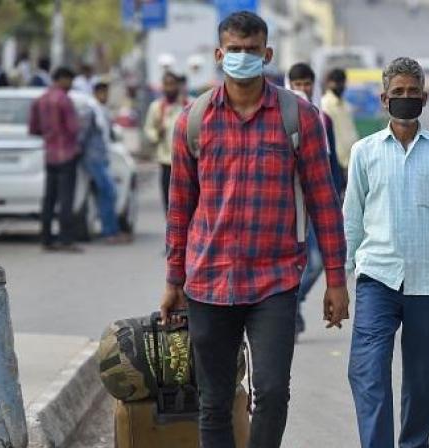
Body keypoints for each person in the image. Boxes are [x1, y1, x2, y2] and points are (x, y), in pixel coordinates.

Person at [159, 11, 349, 447]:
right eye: (234, 50)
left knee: (273, 393)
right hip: (208, 280)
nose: (242, 58)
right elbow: (179, 208)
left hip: (275, 281)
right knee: (214, 400)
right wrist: (174, 280)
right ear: (219, 54)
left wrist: (336, 280)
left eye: (251, 51)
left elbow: (324, 201)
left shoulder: (298, 117)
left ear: (267, 54)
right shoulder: (193, 120)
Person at [344, 57, 429, 448]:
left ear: (424, 99)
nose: (406, 99)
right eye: (398, 93)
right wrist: (340, 279)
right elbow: (352, 219)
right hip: (377, 278)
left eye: (413, 93)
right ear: (384, 99)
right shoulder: (365, 152)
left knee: (423, 379)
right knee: (368, 373)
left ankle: (413, 444)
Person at [286, 62, 346, 338]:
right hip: (290, 206)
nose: (302, 89)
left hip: (317, 204)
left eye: (306, 83)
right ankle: (286, 309)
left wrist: (337, 194)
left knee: (318, 261)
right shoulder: (281, 119)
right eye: (296, 84)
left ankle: (293, 302)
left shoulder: (323, 120)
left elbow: (330, 162)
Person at [29, 66, 83, 253]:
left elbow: (33, 128)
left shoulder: (40, 100)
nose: (70, 85)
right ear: (62, 79)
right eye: (69, 80)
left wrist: (49, 135)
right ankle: (66, 239)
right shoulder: (64, 100)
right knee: (66, 198)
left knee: (49, 198)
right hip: (66, 154)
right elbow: (74, 128)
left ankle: (46, 238)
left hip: (50, 154)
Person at [80, 81, 130, 244]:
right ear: (96, 93)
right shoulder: (91, 110)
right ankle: (109, 231)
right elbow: (84, 135)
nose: (105, 96)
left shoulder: (102, 111)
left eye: (106, 93)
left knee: (108, 194)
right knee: (108, 192)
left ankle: (111, 230)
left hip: (102, 157)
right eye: (102, 93)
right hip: (93, 158)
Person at [144, 71, 186, 213]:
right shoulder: (156, 108)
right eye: (167, 85)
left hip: (185, 161)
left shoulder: (188, 105)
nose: (170, 88)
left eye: (172, 84)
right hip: (166, 161)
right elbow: (149, 129)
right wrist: (157, 134)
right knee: (168, 200)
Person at [321, 67, 359, 175]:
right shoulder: (324, 105)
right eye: (336, 82)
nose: (339, 86)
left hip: (350, 160)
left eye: (341, 82)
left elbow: (350, 131)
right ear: (328, 83)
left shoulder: (345, 105)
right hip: (335, 161)